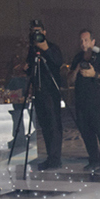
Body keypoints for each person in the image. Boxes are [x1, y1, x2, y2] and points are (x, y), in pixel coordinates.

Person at [68, 29, 100, 173]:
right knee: (86, 133)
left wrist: (95, 74)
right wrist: (77, 69)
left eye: (86, 40)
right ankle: (94, 160)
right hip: (82, 102)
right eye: (81, 41)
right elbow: (69, 80)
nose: (83, 43)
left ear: (93, 41)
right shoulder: (78, 58)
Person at [25, 19, 64, 170]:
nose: (37, 34)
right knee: (45, 126)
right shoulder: (32, 49)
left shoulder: (52, 47)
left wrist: (46, 49)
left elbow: (58, 62)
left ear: (44, 32)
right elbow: (31, 69)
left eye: (39, 31)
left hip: (51, 92)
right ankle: (50, 157)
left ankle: (56, 159)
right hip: (38, 92)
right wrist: (25, 67)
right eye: (34, 31)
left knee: (54, 126)